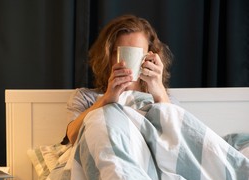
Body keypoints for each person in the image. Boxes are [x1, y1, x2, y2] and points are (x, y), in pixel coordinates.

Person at [65, 14, 174, 144]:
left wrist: (159, 90)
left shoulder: (163, 99)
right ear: (107, 56)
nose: (126, 61)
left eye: (137, 53)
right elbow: (72, 137)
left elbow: (175, 139)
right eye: (119, 53)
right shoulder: (86, 98)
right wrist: (107, 98)